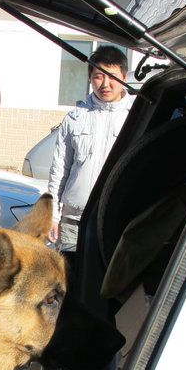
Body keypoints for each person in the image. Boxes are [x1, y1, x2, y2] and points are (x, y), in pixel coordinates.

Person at [47, 45, 133, 251]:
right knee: (71, 278)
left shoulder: (136, 116)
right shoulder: (76, 118)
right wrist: (52, 216)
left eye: (112, 76)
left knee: (108, 280)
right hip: (74, 221)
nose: (105, 84)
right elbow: (59, 171)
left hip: (117, 220)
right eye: (98, 76)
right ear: (90, 79)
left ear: (124, 76)